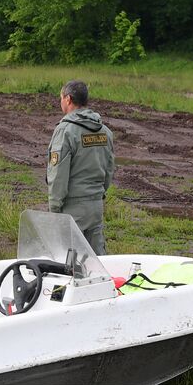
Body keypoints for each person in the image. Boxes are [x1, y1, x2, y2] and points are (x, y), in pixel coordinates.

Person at [47, 79, 115, 255]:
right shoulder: (104, 131)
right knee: (97, 261)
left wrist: (54, 208)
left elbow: (58, 173)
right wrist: (97, 193)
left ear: (68, 99)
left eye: (61, 98)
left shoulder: (66, 131)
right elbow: (109, 169)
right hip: (95, 205)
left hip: (72, 207)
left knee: (68, 261)